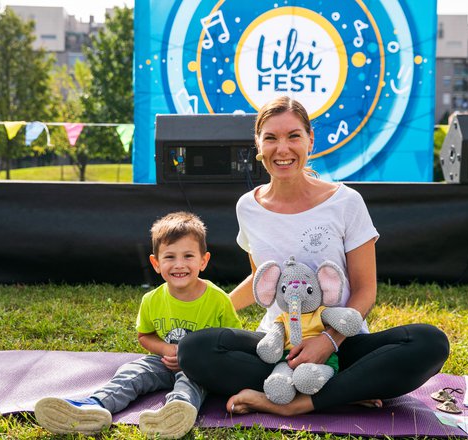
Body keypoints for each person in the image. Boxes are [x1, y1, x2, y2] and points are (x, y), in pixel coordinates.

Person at [178, 96, 450, 416]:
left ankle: (295, 402)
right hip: (278, 347)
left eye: (294, 136)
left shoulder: (346, 202)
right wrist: (206, 308)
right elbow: (261, 277)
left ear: (310, 140)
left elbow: (364, 291)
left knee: (429, 342)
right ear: (257, 143)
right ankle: (345, 390)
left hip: (341, 344)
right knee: (194, 349)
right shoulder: (247, 207)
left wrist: (327, 342)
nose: (282, 149)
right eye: (271, 138)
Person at [34, 211, 242, 438]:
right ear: (156, 263)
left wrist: (200, 360)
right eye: (170, 257)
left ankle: (175, 414)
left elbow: (234, 341)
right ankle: (94, 406)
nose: (179, 264)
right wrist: (165, 349)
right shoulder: (151, 299)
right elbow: (145, 335)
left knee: (190, 383)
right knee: (132, 371)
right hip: (164, 362)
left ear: (203, 261)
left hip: (200, 368)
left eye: (188, 256)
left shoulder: (218, 299)